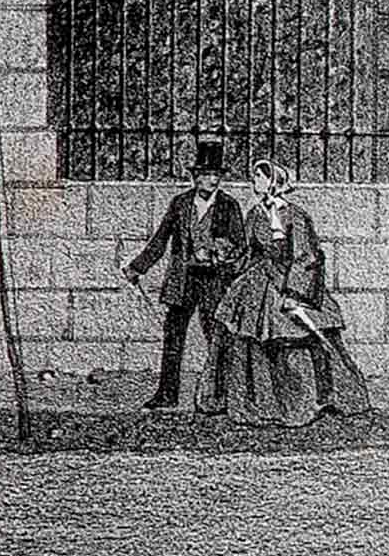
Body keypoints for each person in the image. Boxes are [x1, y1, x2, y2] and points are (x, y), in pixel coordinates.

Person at [121, 139, 247, 415]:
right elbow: (160, 240)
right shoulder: (180, 204)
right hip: (183, 279)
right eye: (206, 175)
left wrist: (217, 252)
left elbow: (240, 246)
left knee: (216, 336)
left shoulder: (229, 206)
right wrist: (137, 267)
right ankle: (167, 394)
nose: (211, 180)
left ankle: (220, 395)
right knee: (174, 335)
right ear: (195, 177)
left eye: (216, 175)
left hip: (214, 281)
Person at [220, 157, 340, 428]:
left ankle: (302, 406)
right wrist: (227, 260)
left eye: (259, 177)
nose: (254, 183)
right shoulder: (254, 214)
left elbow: (307, 256)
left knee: (291, 343)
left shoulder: (295, 215)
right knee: (250, 346)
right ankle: (259, 406)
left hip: (287, 285)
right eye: (254, 178)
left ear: (273, 181)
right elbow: (248, 254)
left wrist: (295, 292)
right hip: (256, 284)